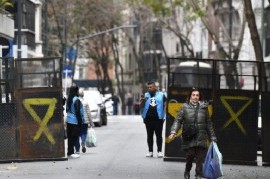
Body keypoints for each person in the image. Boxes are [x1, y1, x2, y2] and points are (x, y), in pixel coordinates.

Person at [168, 88, 217, 179]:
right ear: (190, 96)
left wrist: (212, 137)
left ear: (199, 97)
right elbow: (178, 120)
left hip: (201, 136)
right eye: (193, 95)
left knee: (200, 158)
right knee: (190, 156)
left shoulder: (204, 108)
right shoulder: (184, 107)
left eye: (197, 95)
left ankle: (198, 174)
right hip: (189, 137)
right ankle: (187, 170)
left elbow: (208, 123)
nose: (195, 97)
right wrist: (173, 131)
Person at [140, 81, 167, 158]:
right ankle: (150, 151)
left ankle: (159, 151)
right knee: (149, 135)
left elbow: (165, 105)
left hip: (158, 118)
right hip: (148, 119)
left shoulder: (162, 95)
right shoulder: (146, 95)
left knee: (159, 135)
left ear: (155, 87)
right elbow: (141, 106)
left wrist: (164, 116)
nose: (149, 89)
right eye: (148, 87)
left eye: (151, 87)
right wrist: (142, 100)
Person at [65, 86, 84, 159]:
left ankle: (70, 152)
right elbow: (78, 112)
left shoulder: (68, 99)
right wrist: (80, 122)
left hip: (68, 120)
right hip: (75, 121)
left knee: (70, 137)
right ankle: (71, 152)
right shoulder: (76, 100)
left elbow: (67, 110)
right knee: (74, 137)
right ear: (76, 91)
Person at [75, 88, 94, 154]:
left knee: (78, 133)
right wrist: (91, 122)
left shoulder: (75, 102)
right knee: (84, 133)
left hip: (77, 121)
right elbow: (89, 113)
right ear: (83, 95)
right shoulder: (85, 102)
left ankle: (77, 148)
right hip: (85, 121)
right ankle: (83, 142)